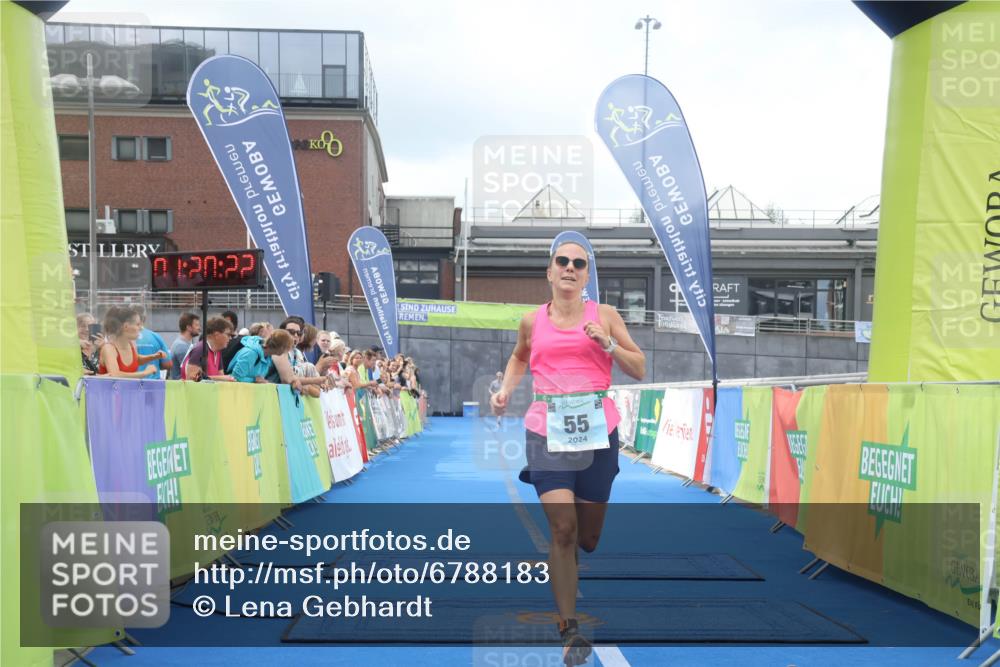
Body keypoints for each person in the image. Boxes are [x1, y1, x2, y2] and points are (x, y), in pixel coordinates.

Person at [490, 241, 645, 666]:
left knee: (587, 539)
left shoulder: (606, 316)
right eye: (563, 262)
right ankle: (569, 628)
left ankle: (572, 558)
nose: (571, 269)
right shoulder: (531, 321)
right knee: (562, 529)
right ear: (550, 271)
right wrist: (506, 389)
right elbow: (519, 358)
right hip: (547, 431)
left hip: (598, 430)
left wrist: (608, 345)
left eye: (579, 263)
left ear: (586, 275)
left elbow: (640, 366)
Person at [98, 306, 168, 378]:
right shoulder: (109, 349)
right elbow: (114, 375)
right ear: (126, 326)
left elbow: (135, 359)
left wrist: (153, 356)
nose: (141, 328)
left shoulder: (131, 344)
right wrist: (144, 373)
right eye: (137, 324)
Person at [227, 329, 295, 384]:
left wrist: (259, 381)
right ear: (281, 347)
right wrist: (254, 380)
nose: (287, 351)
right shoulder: (251, 353)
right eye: (287, 348)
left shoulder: (268, 357)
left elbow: (260, 379)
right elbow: (235, 378)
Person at [181, 317, 235, 382]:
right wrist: (221, 378)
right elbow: (191, 378)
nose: (230, 338)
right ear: (216, 335)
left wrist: (224, 378)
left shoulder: (218, 351)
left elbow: (221, 377)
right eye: (228, 335)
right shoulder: (200, 349)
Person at [135, 306, 173, 376]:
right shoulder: (155, 336)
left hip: (129, 383)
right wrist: (155, 364)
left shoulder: (122, 338)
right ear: (145, 318)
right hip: (153, 383)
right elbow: (168, 364)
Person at [168, 312, 200, 380]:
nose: (199, 328)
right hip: (182, 387)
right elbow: (189, 372)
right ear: (188, 327)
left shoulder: (182, 344)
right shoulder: (182, 346)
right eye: (196, 325)